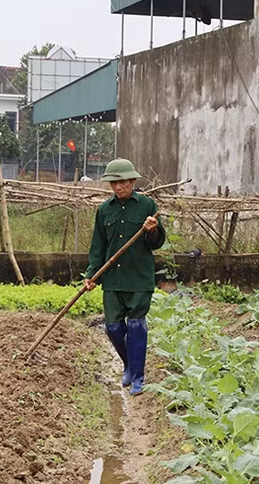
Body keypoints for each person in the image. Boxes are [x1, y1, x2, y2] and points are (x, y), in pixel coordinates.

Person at [83, 158, 165, 396]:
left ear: (132, 181)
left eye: (122, 182)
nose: (118, 187)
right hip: (112, 279)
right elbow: (97, 247)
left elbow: (157, 243)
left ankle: (138, 377)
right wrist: (92, 275)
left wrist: (153, 229)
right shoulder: (104, 211)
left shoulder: (147, 206)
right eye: (113, 183)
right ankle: (130, 363)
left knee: (137, 325)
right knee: (113, 327)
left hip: (138, 278)